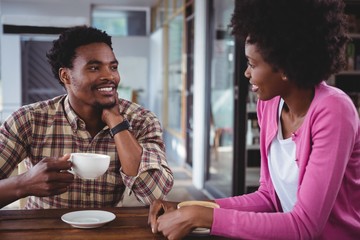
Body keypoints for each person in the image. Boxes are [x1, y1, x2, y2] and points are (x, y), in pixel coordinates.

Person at [148, 0, 360, 239]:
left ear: (284, 67)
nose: (246, 73)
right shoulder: (269, 105)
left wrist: (204, 216)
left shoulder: (334, 111)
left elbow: (305, 226)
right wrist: (187, 209)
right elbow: (269, 196)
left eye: (252, 64)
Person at [0, 26, 174, 209]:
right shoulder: (29, 120)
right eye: (94, 68)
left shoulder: (141, 120)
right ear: (65, 76)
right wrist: (24, 184)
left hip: (107, 231)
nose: (110, 76)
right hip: (46, 231)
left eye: (113, 67)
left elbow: (155, 194)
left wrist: (117, 122)